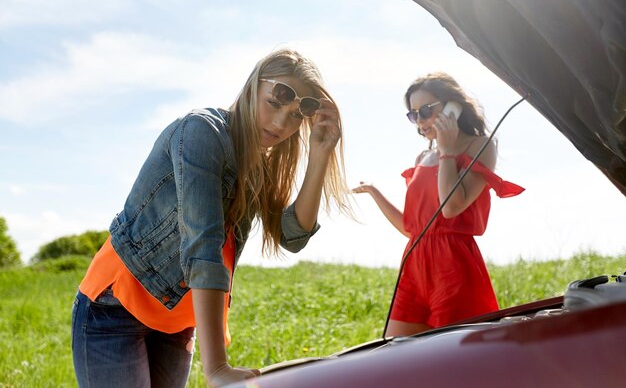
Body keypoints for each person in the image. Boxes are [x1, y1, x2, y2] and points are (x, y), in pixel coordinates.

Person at [71, 48, 352, 388]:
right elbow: (202, 245)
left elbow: (292, 235)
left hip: (177, 318)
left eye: (296, 116)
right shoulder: (201, 132)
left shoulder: (259, 164)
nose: (281, 124)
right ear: (253, 86)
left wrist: (320, 155)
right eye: (275, 103)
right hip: (116, 307)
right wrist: (216, 367)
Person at [352, 72, 524, 337]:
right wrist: (375, 194)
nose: (420, 120)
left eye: (426, 110)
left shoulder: (480, 145)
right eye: (413, 115)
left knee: (455, 360)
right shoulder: (422, 156)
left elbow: (452, 207)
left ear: (452, 107)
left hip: (453, 267)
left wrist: (447, 150)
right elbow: (414, 229)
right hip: (414, 267)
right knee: (395, 354)